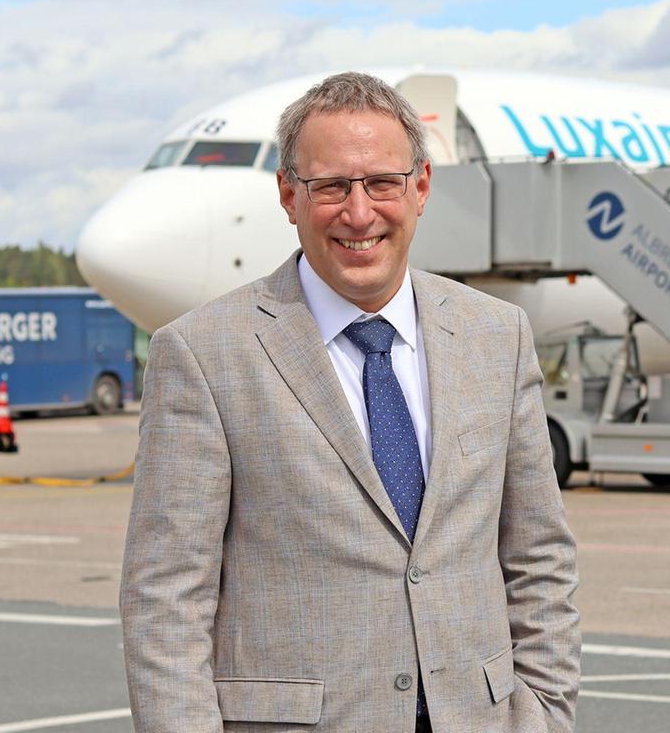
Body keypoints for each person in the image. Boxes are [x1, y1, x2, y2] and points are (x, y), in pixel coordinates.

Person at [120, 71, 580, 732]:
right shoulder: (203, 354)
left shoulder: (496, 337)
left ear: (420, 189)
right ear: (288, 194)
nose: (358, 213)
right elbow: (166, 602)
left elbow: (540, 558)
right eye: (331, 186)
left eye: (381, 184)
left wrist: (545, 716)